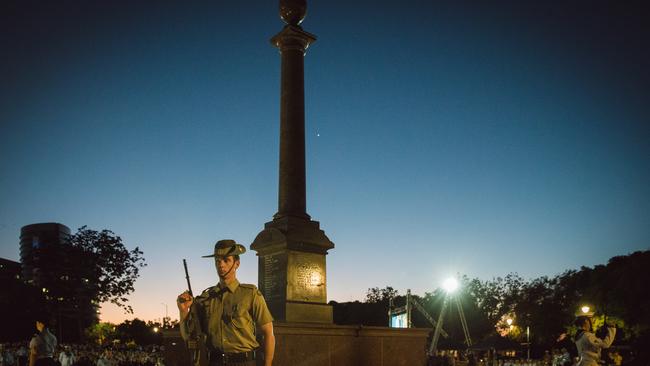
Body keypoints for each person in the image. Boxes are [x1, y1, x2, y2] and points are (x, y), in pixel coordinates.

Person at [177, 240, 275, 366]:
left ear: (237, 264)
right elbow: (188, 336)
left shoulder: (250, 294)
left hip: (244, 362)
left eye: (226, 260)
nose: (221, 265)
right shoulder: (205, 299)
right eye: (217, 261)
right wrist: (183, 311)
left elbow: (268, 333)